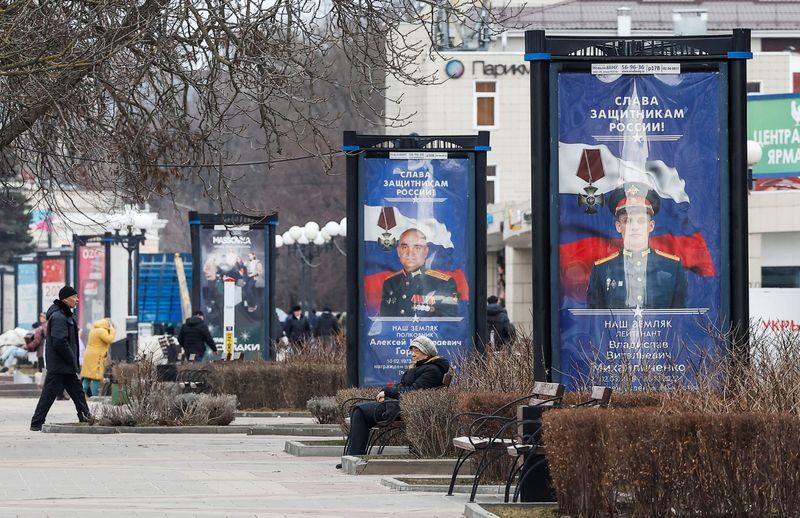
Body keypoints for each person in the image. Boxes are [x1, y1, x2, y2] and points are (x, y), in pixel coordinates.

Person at [343, 335, 450, 459]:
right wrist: (386, 392)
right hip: (398, 405)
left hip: (405, 409)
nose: (413, 354)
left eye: (418, 351)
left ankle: (354, 457)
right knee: (358, 410)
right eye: (412, 351)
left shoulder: (432, 370)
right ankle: (353, 456)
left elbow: (413, 391)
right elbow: (403, 386)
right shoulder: (419, 367)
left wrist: (387, 393)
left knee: (359, 411)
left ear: (427, 353)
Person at [587, 183, 688, 309]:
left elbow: (681, 320)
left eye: (641, 221)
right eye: (627, 221)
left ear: (651, 226)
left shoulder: (672, 267)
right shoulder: (602, 269)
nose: (634, 227)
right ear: (619, 227)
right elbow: (595, 320)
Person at [30, 286, 92, 431]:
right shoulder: (59, 316)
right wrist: (71, 358)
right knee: (49, 394)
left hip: (64, 366)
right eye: (74, 297)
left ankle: (86, 417)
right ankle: (36, 423)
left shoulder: (64, 315)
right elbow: (59, 341)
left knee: (78, 393)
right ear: (65, 298)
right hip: (60, 365)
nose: (77, 300)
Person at [379, 228, 460, 318]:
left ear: (426, 252)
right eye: (405, 247)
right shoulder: (390, 283)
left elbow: (449, 325)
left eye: (417, 248)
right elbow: (385, 323)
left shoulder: (444, 283)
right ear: (398, 251)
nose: (410, 253)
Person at [79, 318, 116, 397]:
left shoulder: (94, 329)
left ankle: (80, 396)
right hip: (96, 357)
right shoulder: (101, 331)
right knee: (96, 377)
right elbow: (110, 339)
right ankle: (94, 397)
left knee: (87, 377)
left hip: (89, 355)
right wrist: (112, 330)